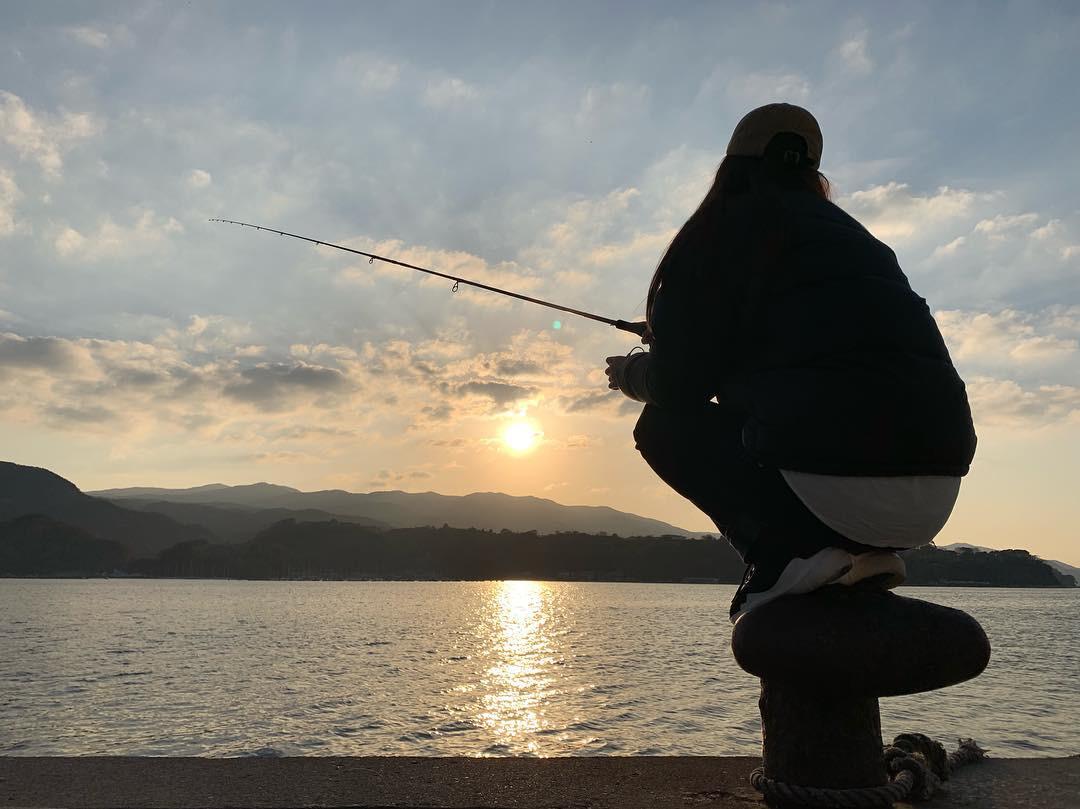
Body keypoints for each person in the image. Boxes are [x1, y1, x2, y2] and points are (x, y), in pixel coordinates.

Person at [604, 103, 976, 623]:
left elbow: (680, 385)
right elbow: (819, 342)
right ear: (812, 172)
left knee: (663, 427)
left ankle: (784, 556)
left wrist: (631, 374)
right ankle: (856, 557)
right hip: (935, 494)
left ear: (731, 166)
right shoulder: (862, 242)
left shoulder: (719, 233)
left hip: (838, 480)